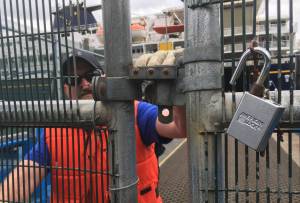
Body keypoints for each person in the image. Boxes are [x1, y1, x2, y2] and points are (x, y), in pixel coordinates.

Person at [0, 50, 186, 203]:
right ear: (66, 88)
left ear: (103, 78)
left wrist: (174, 92)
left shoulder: (135, 113)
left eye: (91, 76)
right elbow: (24, 177)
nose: (85, 83)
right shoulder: (53, 132)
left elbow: (179, 128)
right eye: (74, 79)